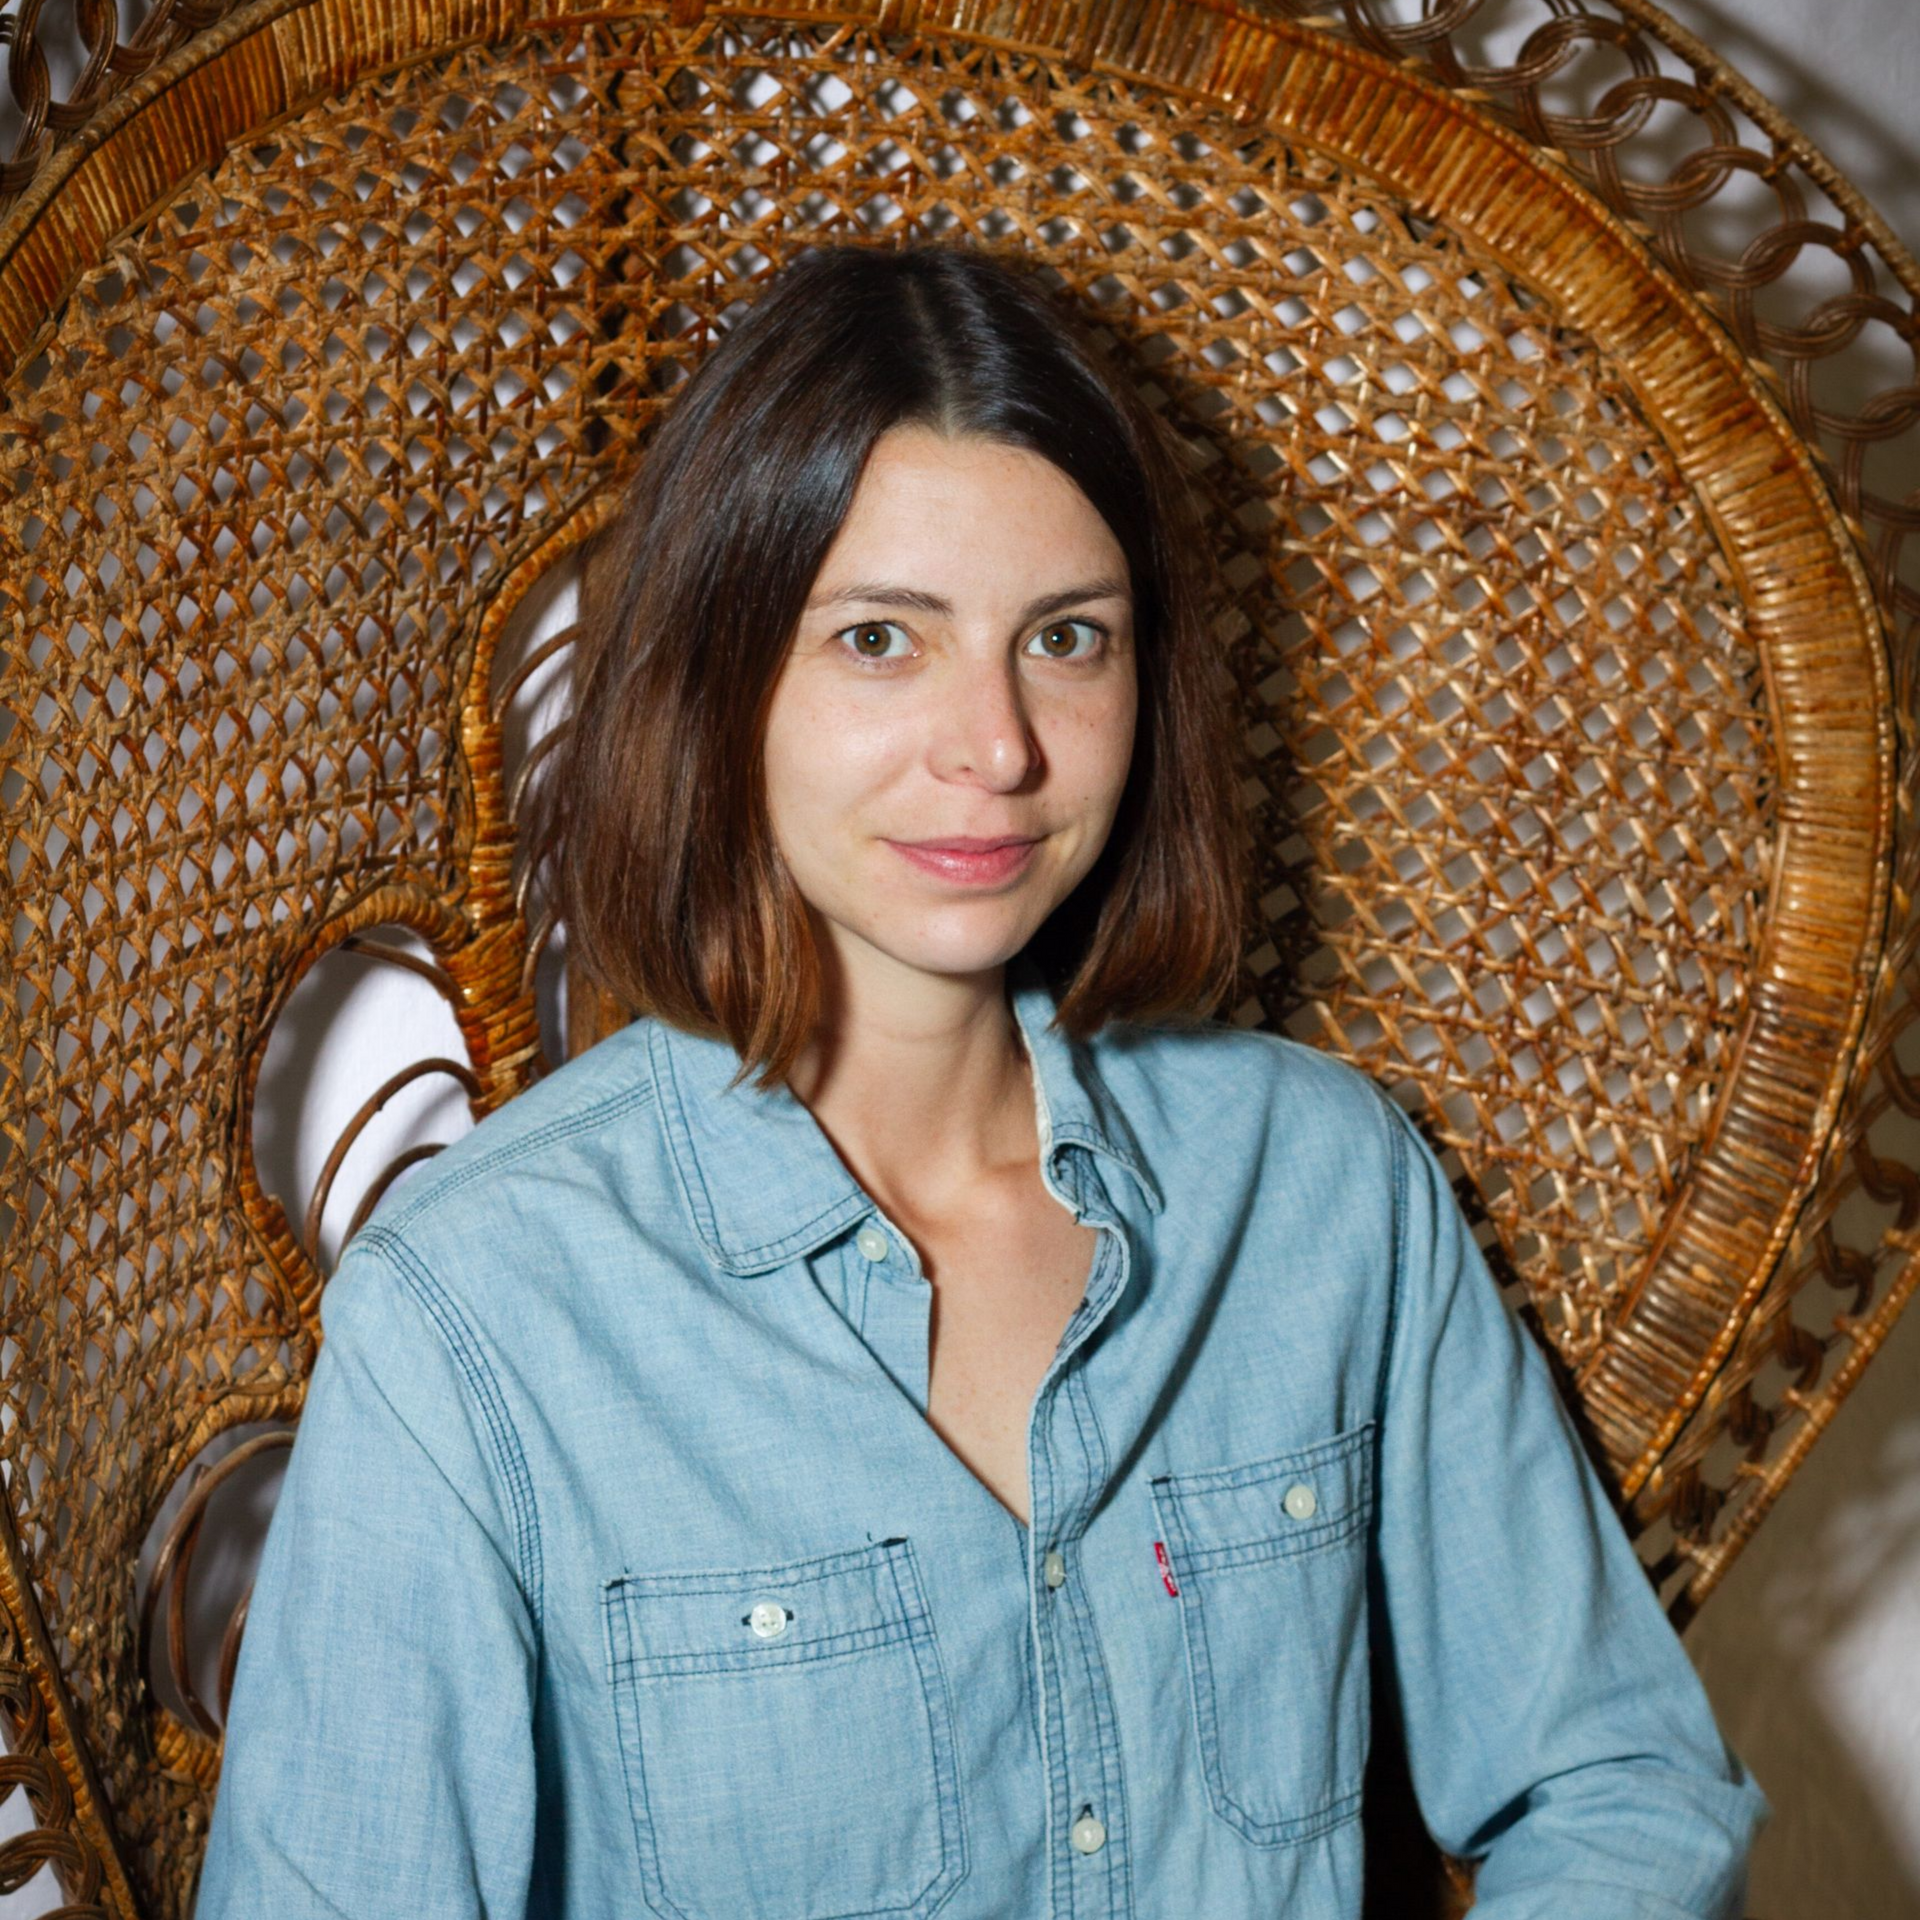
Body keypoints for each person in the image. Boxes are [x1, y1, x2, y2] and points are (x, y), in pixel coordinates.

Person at [195, 240, 1768, 1919]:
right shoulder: (480, 1318)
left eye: (1068, 640)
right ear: (724, 682)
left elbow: (1625, 1786)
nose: (999, 746)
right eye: (882, 639)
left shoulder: (1323, 1193)